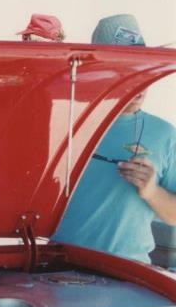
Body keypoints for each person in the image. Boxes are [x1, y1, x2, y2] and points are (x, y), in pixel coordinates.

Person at [53, 14, 176, 262]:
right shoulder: (63, 123)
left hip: (130, 270)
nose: (137, 83)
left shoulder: (165, 134)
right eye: (123, 71)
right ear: (102, 73)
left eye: (141, 70)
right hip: (60, 267)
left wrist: (151, 191)